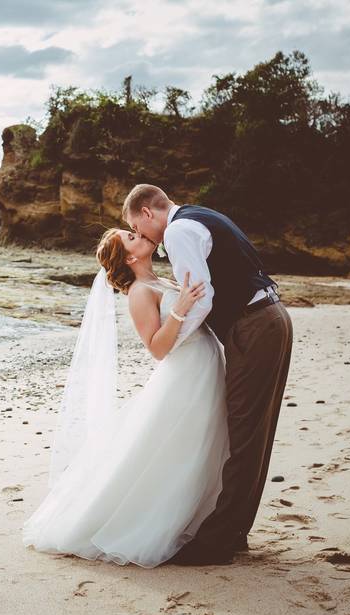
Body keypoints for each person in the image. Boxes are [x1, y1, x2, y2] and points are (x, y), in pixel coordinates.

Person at [21, 227, 231, 568]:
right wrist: (178, 310)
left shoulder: (161, 280)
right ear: (130, 258)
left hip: (202, 369)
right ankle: (157, 524)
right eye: (131, 237)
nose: (139, 235)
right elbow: (157, 348)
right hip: (184, 375)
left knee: (200, 447)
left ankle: (201, 520)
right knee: (181, 451)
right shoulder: (138, 292)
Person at [123, 184, 293, 565]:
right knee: (254, 434)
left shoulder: (180, 230)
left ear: (148, 213)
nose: (146, 237)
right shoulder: (201, 215)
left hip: (254, 325)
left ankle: (217, 541)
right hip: (269, 317)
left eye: (139, 226)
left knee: (245, 434)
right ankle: (233, 532)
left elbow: (203, 296)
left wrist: (177, 344)